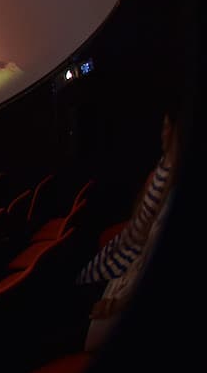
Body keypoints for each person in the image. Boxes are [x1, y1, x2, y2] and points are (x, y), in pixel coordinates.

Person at [77, 111, 179, 350]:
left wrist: (116, 304)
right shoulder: (163, 175)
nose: (162, 134)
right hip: (124, 277)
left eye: (167, 128)